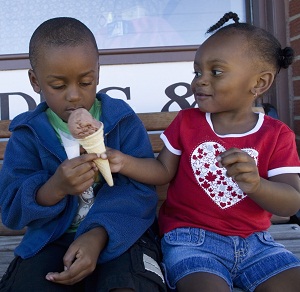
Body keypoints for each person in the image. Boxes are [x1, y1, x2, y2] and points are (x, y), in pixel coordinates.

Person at [104, 12, 300, 292]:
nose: (200, 81)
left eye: (216, 72)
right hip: (190, 240)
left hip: (257, 243)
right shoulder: (187, 122)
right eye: (197, 72)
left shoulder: (276, 135)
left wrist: (256, 185)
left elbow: (291, 202)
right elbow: (162, 172)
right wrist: (124, 162)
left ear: (259, 83)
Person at [0, 17, 166, 292]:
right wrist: (54, 188)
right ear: (35, 80)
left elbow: (140, 192)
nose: (74, 96)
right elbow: (11, 210)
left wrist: (97, 235)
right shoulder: (27, 135)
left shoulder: (121, 122)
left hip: (120, 234)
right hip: (51, 239)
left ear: (98, 74)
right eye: (58, 86)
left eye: (86, 82)